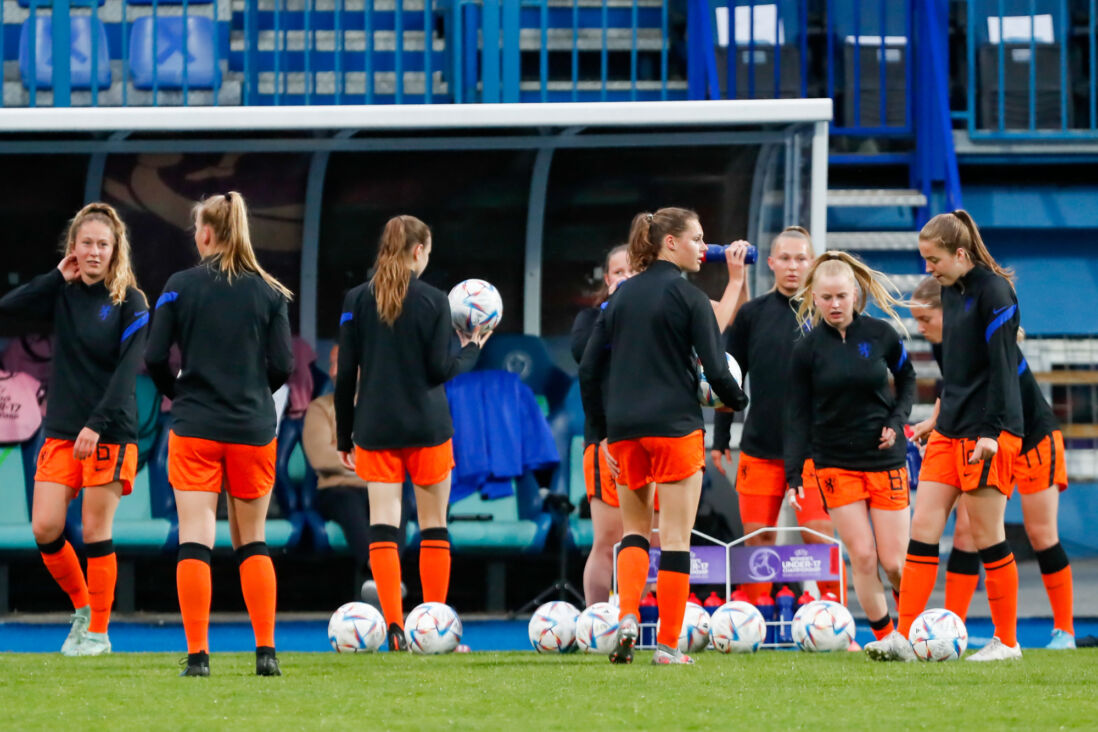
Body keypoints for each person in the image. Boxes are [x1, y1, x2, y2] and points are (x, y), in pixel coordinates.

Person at [579, 207, 748, 665]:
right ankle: (669, 646)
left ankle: (628, 617)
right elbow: (715, 367)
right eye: (696, 238)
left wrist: (601, 436)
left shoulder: (619, 299)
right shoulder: (689, 298)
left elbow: (589, 369)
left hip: (625, 434)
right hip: (675, 430)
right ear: (669, 243)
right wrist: (737, 399)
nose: (703, 247)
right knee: (675, 539)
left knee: (633, 533)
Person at [146, 191, 294, 677]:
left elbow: (152, 357)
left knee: (196, 540)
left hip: (196, 427)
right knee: (252, 541)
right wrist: (252, 391)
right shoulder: (270, 291)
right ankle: (266, 654)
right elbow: (284, 366)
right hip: (252, 429)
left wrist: (179, 394)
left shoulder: (179, 285)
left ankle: (198, 658)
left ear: (206, 233)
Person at [866, 210, 1024, 662]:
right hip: (952, 428)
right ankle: (903, 635)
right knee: (923, 532)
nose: (927, 268)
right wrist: (940, 418)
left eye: (933, 259)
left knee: (989, 536)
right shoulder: (950, 293)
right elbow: (958, 372)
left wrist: (993, 434)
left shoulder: (996, 291)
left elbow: (1002, 370)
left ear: (959, 253)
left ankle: (1007, 642)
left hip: (989, 433)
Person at [335, 215, 489, 652]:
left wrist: (345, 437)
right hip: (428, 427)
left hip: (375, 428)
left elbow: (347, 375)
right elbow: (441, 370)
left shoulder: (355, 299)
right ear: (419, 250)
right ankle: (434, 629)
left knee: (383, 526)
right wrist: (472, 348)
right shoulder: (435, 301)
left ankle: (395, 627)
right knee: (433, 526)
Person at [0, 203, 146, 657]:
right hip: (62, 430)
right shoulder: (62, 292)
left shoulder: (131, 301)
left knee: (94, 529)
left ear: (115, 248)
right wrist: (54, 277)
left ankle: (99, 633)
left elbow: (127, 375)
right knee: (45, 527)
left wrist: (96, 425)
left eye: (103, 244)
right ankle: (83, 608)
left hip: (110, 431)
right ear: (74, 248)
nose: (95, 252)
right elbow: (7, 307)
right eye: (87, 243)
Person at [909, 277, 1075, 650]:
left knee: (1041, 534)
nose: (920, 328)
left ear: (948, 312)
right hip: (984, 438)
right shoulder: (944, 343)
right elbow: (958, 390)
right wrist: (935, 422)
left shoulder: (985, 340)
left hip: (1029, 438)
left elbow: (998, 391)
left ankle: (1065, 631)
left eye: (925, 318)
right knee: (967, 534)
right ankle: (951, 630)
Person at [784, 252, 915, 646]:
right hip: (834, 462)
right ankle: (887, 640)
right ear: (814, 298)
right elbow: (796, 415)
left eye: (841, 296)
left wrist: (896, 423)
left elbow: (907, 378)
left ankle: (913, 630)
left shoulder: (882, 335)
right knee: (861, 556)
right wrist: (794, 473)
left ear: (855, 294)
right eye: (826, 298)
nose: (835, 305)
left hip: (885, 459)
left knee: (894, 562)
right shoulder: (806, 350)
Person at [711, 227, 843, 603]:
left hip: (816, 453)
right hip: (759, 448)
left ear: (813, 263)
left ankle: (834, 617)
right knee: (759, 542)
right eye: (785, 258)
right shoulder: (751, 315)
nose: (793, 266)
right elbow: (728, 379)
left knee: (817, 538)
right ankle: (750, 619)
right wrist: (721, 440)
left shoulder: (826, 314)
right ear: (770, 263)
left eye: (801, 258)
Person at [303, 344, 408, 600]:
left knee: (397, 504)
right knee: (349, 502)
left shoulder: (382, 409)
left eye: (341, 362)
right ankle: (381, 574)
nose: (334, 370)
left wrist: (347, 456)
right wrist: (369, 462)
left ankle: (382, 578)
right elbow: (321, 457)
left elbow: (394, 455)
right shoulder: (320, 408)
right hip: (336, 490)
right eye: (331, 363)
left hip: (378, 487)